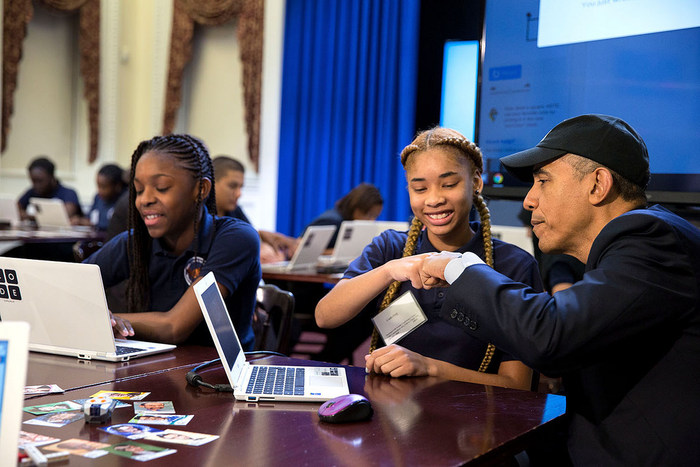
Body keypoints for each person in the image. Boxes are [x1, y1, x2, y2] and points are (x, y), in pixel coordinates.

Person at [416, 114, 700, 465]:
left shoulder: (650, 238)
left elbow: (552, 336)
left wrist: (459, 266)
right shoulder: (632, 246)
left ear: (597, 185)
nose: (528, 201)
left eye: (543, 181)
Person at [316, 127, 543, 389]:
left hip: (474, 420)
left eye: (449, 184)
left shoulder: (514, 265)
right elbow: (325, 316)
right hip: (393, 416)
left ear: (476, 182)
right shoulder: (390, 249)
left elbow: (518, 384)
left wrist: (429, 367)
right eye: (420, 188)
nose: (434, 199)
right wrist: (390, 270)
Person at [84, 134, 261, 349]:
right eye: (138, 190)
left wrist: (106, 319)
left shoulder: (235, 239)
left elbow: (174, 327)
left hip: (217, 374)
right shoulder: (135, 242)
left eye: (162, 187)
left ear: (201, 190)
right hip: (151, 366)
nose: (145, 199)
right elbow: (68, 285)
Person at [212, 155, 298, 263]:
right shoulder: (200, 216)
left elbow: (249, 237)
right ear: (211, 183)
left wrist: (263, 237)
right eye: (232, 186)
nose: (239, 194)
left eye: (241, 187)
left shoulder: (235, 210)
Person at [303, 182, 384, 249]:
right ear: (356, 207)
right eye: (369, 215)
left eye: (376, 216)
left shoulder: (352, 224)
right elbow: (304, 250)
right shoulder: (330, 221)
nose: (372, 220)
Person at [17, 156, 84, 223]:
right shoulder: (32, 191)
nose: (36, 185)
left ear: (52, 177)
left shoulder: (69, 193)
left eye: (40, 181)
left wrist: (30, 216)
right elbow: (16, 210)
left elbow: (64, 216)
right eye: (33, 181)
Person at [86, 163, 128, 231]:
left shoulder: (124, 201)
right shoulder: (98, 197)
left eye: (103, 187)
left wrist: (93, 224)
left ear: (118, 186)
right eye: (98, 186)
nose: (99, 191)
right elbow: (89, 218)